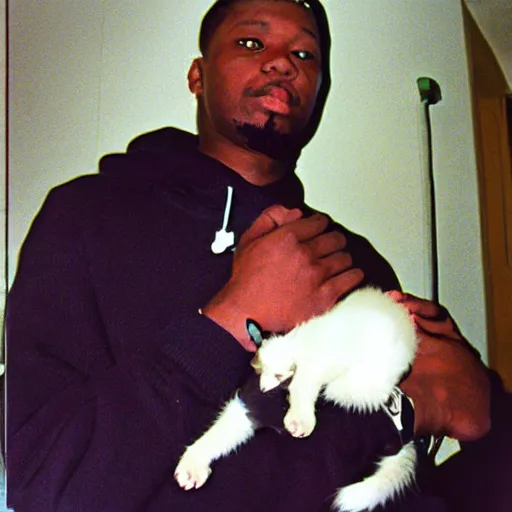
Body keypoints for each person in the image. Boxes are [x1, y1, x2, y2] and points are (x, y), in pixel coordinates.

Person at [6, 0, 492, 511]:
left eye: (305, 53)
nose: (283, 61)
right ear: (198, 75)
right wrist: (229, 321)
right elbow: (44, 482)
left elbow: (382, 481)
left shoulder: (353, 262)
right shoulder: (86, 215)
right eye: (252, 42)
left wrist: (482, 411)